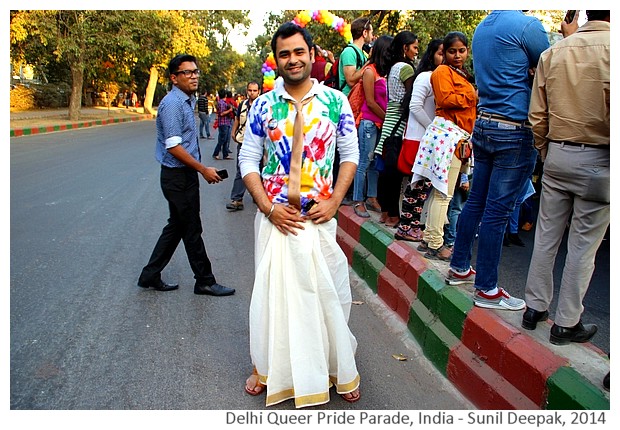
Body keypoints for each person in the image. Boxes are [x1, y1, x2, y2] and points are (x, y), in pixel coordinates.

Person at [238, 22, 360, 408]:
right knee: (273, 300)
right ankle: (268, 369)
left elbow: (351, 155)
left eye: (298, 52)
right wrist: (268, 207)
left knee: (326, 294)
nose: (292, 59)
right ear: (276, 60)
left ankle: (337, 369)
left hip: (318, 219)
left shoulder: (336, 103)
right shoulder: (263, 105)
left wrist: (336, 200)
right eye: (284, 54)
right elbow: (247, 159)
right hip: (276, 220)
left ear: (312, 55)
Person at [445, 11, 549, 312]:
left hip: (485, 122)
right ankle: (487, 289)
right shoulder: (528, 26)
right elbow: (550, 67)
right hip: (515, 127)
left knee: (477, 202)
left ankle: (460, 267)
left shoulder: (482, 27)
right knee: (498, 211)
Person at [521, 10, 609, 346]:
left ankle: (534, 308)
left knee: (546, 235)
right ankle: (567, 321)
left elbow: (537, 115)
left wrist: (546, 151)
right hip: (600, 158)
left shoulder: (555, 52)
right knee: (584, 245)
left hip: (557, 152)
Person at [137, 54, 235, 297]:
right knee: (191, 228)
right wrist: (202, 169)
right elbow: (173, 146)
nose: (194, 76)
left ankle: (150, 275)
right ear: (174, 77)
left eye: (196, 72)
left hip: (184, 176)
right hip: (177, 177)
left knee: (177, 227)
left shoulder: (187, 101)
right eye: (187, 72)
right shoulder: (172, 104)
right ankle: (204, 280)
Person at [415, 32, 477, 261]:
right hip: (448, 137)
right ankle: (435, 242)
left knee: (441, 191)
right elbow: (445, 100)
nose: (457, 55)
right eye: (452, 51)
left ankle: (429, 238)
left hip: (456, 137)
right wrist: (472, 96)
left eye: (462, 50)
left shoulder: (460, 74)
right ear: (444, 53)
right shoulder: (442, 72)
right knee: (444, 193)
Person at [392, 38, 443, 240]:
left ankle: (411, 226)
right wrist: (433, 127)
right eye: (441, 53)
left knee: (422, 186)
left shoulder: (438, 77)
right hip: (419, 139)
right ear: (432, 55)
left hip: (425, 139)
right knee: (416, 186)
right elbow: (415, 107)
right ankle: (406, 227)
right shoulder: (425, 77)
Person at [374, 30, 419, 228]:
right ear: (405, 47)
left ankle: (385, 213)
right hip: (399, 123)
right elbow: (412, 97)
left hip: (389, 120)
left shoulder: (392, 67)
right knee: (395, 171)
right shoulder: (406, 69)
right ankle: (393, 215)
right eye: (415, 47)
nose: (417, 52)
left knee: (386, 171)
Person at [351, 35, 392, 218]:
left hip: (380, 123)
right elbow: (370, 102)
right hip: (369, 123)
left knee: (375, 163)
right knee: (364, 162)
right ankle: (358, 200)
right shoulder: (370, 71)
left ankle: (372, 197)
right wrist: (387, 119)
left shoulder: (384, 72)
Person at [226, 81, 260, 211]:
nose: (252, 93)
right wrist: (233, 132)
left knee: (261, 170)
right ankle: (237, 199)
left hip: (259, 142)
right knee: (241, 170)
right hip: (244, 141)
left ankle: (257, 195)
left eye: (254, 91)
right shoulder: (243, 105)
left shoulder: (263, 104)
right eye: (250, 90)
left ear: (259, 91)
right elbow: (237, 119)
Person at [338, 17, 372, 95]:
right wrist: (369, 62)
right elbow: (351, 81)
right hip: (348, 99)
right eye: (371, 32)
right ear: (365, 33)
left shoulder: (362, 53)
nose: (372, 36)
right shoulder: (349, 52)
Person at [213, 89, 234, 160]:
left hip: (226, 122)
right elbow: (221, 113)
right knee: (222, 139)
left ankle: (225, 154)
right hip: (223, 123)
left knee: (226, 139)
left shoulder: (224, 102)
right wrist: (229, 110)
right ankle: (216, 153)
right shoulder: (221, 103)